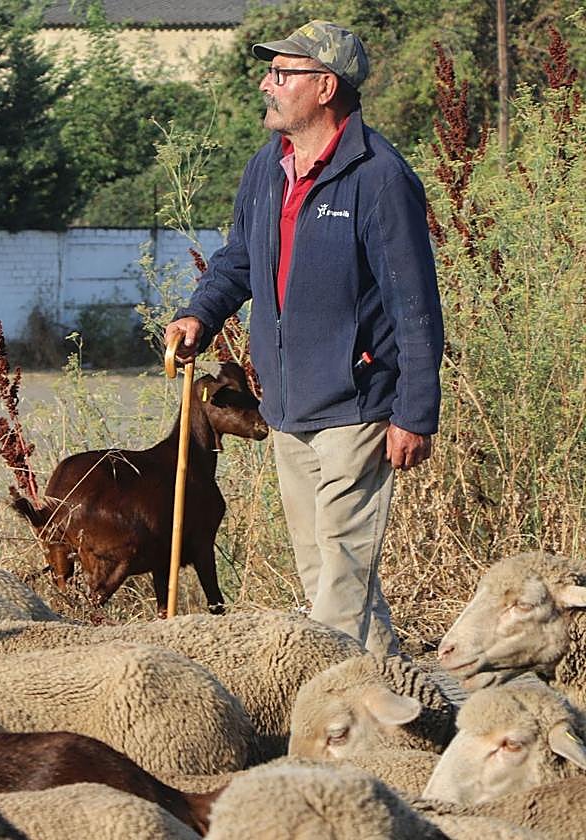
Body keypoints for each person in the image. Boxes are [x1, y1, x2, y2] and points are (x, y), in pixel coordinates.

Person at [163, 20, 444, 655]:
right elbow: (239, 259)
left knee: (338, 582)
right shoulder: (268, 166)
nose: (267, 84)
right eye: (270, 72)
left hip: (359, 406)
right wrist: (200, 316)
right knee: (326, 571)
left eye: (282, 74)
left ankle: (327, 702)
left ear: (325, 86)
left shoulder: (380, 178)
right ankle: (391, 690)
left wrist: (414, 413)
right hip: (288, 409)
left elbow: (415, 305)